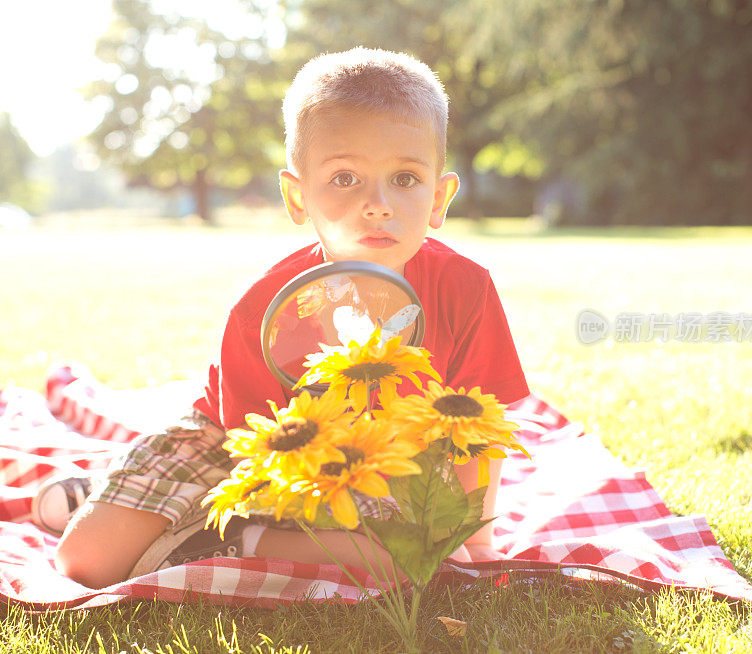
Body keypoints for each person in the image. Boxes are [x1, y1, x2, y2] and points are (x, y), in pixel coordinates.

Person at [46, 47, 529, 589]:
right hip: (247, 441)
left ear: (439, 198)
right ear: (298, 197)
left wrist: (475, 539)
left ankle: (229, 538)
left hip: (385, 453)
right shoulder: (262, 309)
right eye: (345, 178)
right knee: (86, 563)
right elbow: (252, 448)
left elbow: (480, 428)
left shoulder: (465, 289)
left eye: (406, 179)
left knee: (413, 562)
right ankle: (107, 494)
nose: (378, 204)